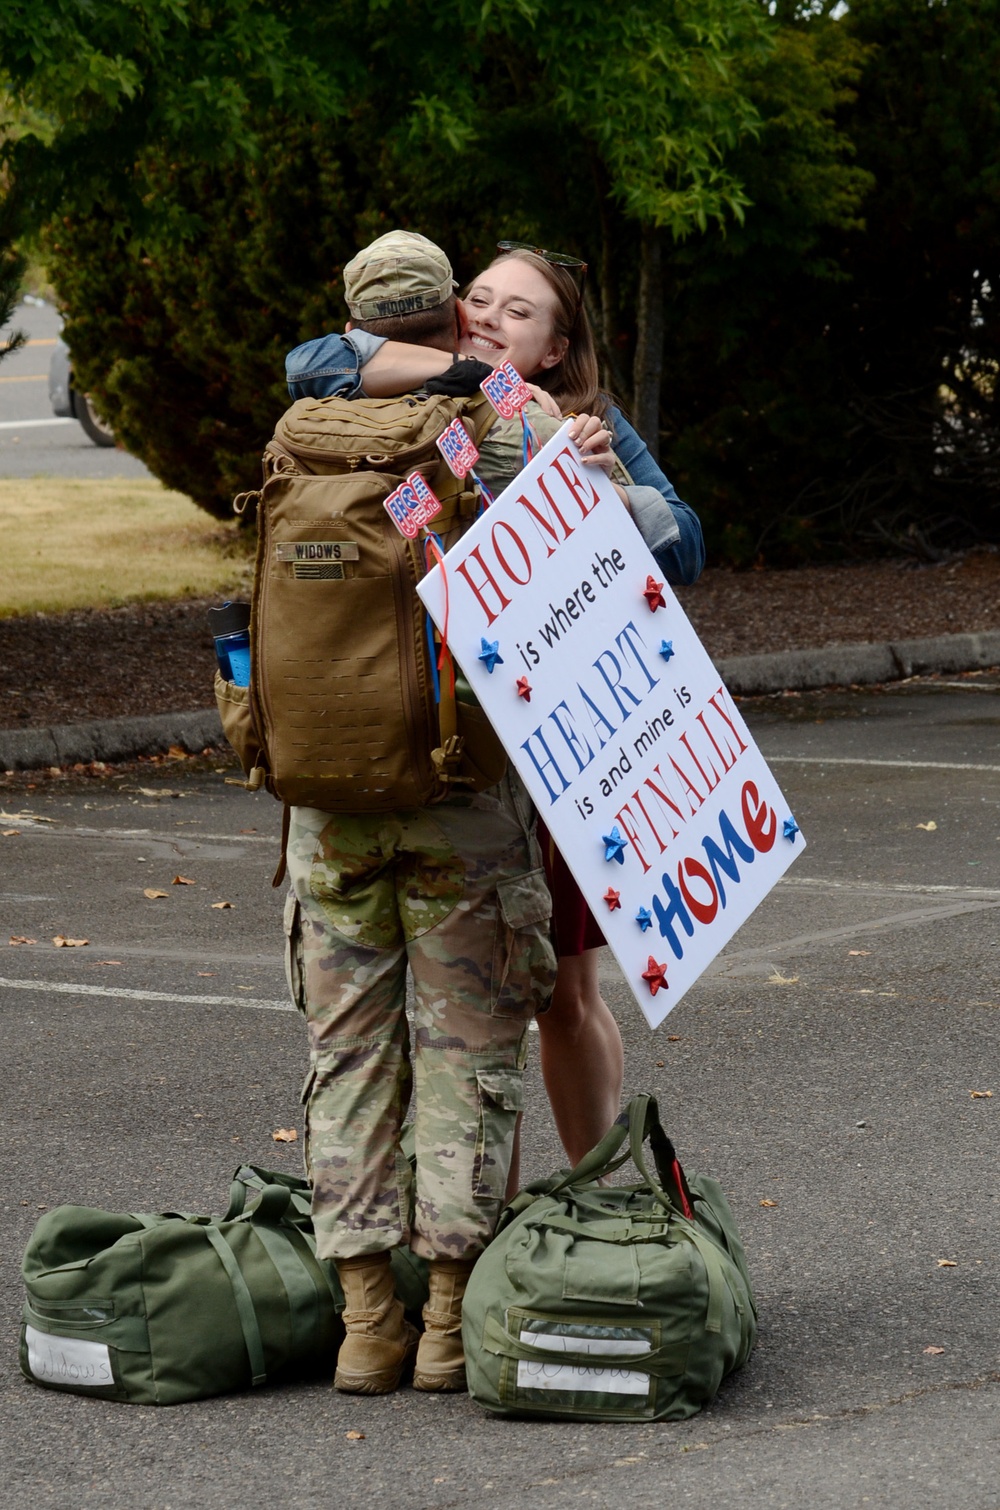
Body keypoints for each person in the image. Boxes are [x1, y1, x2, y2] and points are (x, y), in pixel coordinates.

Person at [286, 236, 705, 1190]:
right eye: (480, 297)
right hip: (435, 748)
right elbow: (311, 361)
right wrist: (467, 370)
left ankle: (595, 1204)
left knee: (560, 987)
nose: (490, 317)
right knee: (472, 1009)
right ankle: (487, 1236)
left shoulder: (577, 417)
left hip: (550, 736)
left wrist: (595, 476)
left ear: (557, 347)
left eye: (520, 312)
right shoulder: (405, 382)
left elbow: (685, 544)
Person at [282, 231, 620, 1400]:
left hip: (325, 804)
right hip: (459, 797)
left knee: (348, 1058)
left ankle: (362, 1322)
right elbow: (622, 548)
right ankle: (443, 1326)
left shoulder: (299, 429)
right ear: (448, 313)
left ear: (364, 320)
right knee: (465, 1059)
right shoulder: (516, 423)